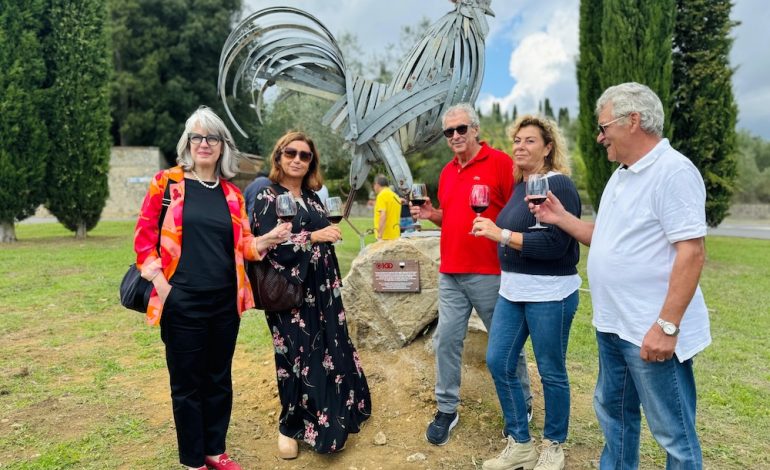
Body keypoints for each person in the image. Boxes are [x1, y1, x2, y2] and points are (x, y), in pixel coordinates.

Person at [532, 82, 710, 469]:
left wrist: (666, 326)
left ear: (633, 121)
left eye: (604, 127)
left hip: (651, 330)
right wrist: (559, 218)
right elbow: (605, 238)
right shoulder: (622, 175)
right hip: (614, 326)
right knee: (615, 420)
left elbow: (692, 253)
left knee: (674, 434)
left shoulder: (673, 171)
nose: (599, 137)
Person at [134, 106, 290, 470]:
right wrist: (162, 284)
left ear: (223, 146)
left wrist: (267, 239)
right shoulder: (167, 184)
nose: (204, 144)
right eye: (197, 137)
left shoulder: (232, 195)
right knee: (187, 384)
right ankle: (193, 460)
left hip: (224, 302)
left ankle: (214, 450)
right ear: (188, 144)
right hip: (182, 300)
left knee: (218, 378)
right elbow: (144, 241)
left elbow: (244, 247)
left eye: (212, 138)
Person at [410, 103, 532, 446]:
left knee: (505, 344)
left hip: (491, 273)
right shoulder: (448, 172)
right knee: (446, 341)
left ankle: (521, 408)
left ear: (475, 129)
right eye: (449, 132)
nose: (455, 136)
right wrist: (433, 213)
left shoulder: (501, 164)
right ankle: (447, 409)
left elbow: (520, 212)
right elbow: (450, 218)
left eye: (461, 129)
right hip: (450, 273)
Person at [251, 130, 371, 459]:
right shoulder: (266, 197)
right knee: (295, 358)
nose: (298, 160)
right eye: (291, 153)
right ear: (279, 157)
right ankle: (290, 426)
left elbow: (321, 235)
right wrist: (315, 236)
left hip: (323, 289)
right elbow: (266, 246)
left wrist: (325, 238)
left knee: (330, 349)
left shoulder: (314, 196)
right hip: (290, 292)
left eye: (305, 156)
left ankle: (333, 417)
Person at [473, 115, 581, 470]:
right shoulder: (521, 187)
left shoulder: (557, 185)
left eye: (530, 140)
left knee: (551, 371)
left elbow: (554, 245)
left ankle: (553, 445)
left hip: (550, 294)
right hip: (513, 291)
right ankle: (520, 443)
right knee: (498, 361)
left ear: (548, 148)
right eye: (516, 140)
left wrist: (500, 235)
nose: (520, 146)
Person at [372, 174, 402, 240]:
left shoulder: (381, 195)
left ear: (377, 184)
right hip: (396, 235)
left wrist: (379, 235)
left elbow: (383, 215)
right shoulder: (395, 196)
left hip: (385, 237)